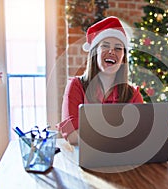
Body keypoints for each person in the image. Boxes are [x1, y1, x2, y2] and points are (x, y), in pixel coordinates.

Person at [57, 16, 144, 144]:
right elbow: (72, 136)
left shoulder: (133, 94)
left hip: (123, 159)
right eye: (105, 46)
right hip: (86, 161)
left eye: (118, 48)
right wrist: (119, 132)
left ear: (123, 58)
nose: (111, 51)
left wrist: (91, 131)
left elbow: (140, 134)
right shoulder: (76, 86)